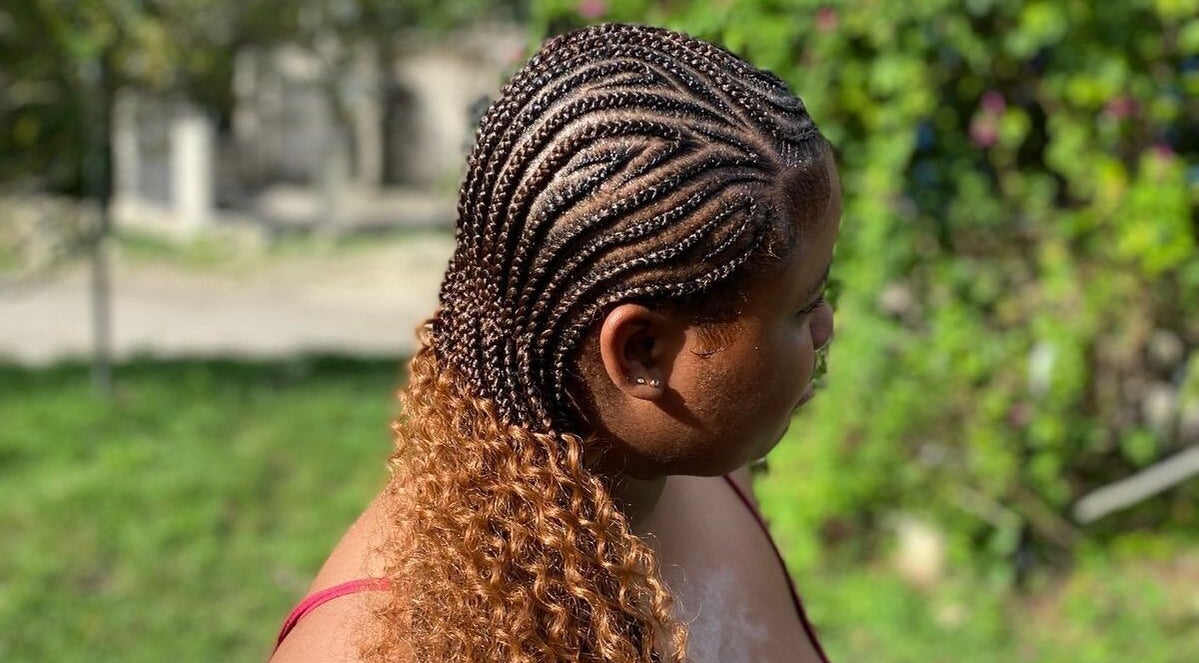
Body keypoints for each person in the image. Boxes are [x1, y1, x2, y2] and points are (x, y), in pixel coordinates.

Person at [271, 22, 840, 663]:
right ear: (642, 353)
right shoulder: (378, 645)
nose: (826, 327)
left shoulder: (709, 478)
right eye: (805, 305)